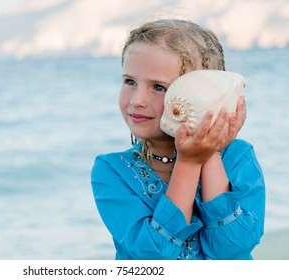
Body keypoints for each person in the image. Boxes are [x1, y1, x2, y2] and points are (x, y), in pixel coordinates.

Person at [90, 19, 265, 260]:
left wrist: (209, 154)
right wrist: (189, 163)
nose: (137, 100)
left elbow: (233, 248)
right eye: (130, 81)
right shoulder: (112, 171)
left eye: (159, 87)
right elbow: (153, 258)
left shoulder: (238, 157)